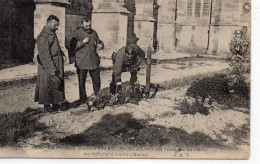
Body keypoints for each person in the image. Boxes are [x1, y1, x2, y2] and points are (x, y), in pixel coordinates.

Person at [34, 15, 66, 112]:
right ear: (48, 23)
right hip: (47, 64)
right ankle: (47, 106)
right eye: (55, 25)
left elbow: (56, 46)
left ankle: (56, 104)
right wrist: (51, 68)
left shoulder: (52, 33)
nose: (57, 27)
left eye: (57, 25)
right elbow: (44, 54)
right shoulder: (43, 36)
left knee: (57, 83)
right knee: (47, 85)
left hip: (57, 61)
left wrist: (62, 54)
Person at [72, 18, 104, 102]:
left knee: (96, 79)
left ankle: (96, 95)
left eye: (89, 25)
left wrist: (101, 45)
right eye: (86, 25)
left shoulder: (94, 32)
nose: (88, 27)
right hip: (82, 61)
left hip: (93, 60)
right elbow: (71, 46)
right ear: (82, 24)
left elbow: (99, 41)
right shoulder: (76, 33)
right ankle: (83, 99)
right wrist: (82, 42)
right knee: (81, 82)